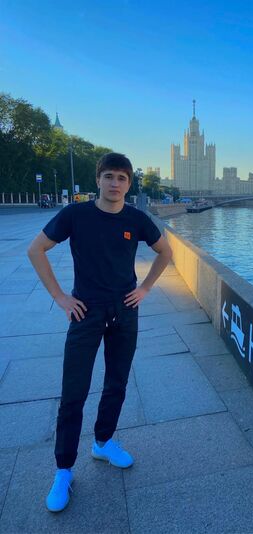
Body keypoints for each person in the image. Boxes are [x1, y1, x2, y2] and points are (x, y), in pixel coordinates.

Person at [27, 152, 172, 512]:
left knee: (117, 383)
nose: (115, 183)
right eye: (109, 176)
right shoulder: (75, 215)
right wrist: (60, 297)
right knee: (73, 392)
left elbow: (165, 252)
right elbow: (36, 250)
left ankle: (103, 442)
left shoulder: (136, 219)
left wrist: (145, 288)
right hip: (86, 311)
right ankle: (64, 470)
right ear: (98, 180)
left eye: (122, 178)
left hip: (125, 311)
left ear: (129, 184)